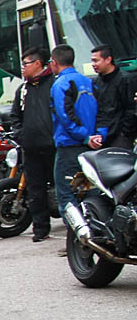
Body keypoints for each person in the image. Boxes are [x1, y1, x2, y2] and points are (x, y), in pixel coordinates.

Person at [49, 44, 97, 243]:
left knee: (66, 194)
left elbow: (65, 116)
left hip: (70, 145)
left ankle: (76, 241)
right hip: (92, 145)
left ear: (54, 63)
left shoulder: (60, 84)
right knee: (90, 191)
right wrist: (94, 136)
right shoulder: (88, 81)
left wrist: (83, 136)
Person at [11, 47, 56, 242]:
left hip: (53, 147)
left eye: (25, 64)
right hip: (30, 148)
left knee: (62, 187)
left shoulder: (54, 84)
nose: (23, 68)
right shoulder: (23, 90)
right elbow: (15, 117)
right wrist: (21, 135)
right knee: (35, 191)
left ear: (38, 63)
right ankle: (40, 229)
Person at [89, 45, 136, 150]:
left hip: (121, 136)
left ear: (108, 59)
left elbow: (131, 109)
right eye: (92, 61)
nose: (93, 65)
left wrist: (124, 132)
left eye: (96, 61)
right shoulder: (95, 82)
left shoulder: (126, 80)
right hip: (101, 136)